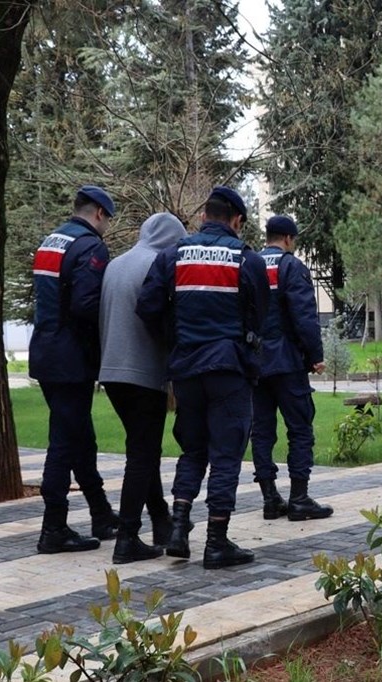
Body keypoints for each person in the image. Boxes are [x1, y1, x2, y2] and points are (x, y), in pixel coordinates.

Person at [136, 186, 269, 569]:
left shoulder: (172, 255)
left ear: (203, 217)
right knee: (226, 454)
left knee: (193, 450)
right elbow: (259, 317)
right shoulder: (245, 258)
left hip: (188, 370)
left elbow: (147, 306)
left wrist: (176, 337)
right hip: (228, 368)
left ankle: (178, 529)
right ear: (237, 220)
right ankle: (216, 541)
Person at [29, 185, 120, 554]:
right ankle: (53, 527)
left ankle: (101, 513)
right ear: (99, 213)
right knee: (65, 442)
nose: (106, 228)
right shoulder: (90, 246)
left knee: (80, 437)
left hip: (48, 351)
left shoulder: (52, 241)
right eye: (107, 220)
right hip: (71, 357)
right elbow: (86, 304)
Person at [99, 212, 188, 564]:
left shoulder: (117, 263)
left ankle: (161, 522)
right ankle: (128, 537)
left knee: (143, 448)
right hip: (142, 372)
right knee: (141, 455)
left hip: (112, 371)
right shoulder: (158, 263)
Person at [250, 215, 333, 521]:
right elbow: (304, 315)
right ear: (287, 238)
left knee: (261, 432)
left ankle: (270, 499)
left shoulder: (250, 264)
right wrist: (315, 355)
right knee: (299, 428)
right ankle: (299, 498)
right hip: (286, 362)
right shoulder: (291, 266)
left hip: (255, 363)